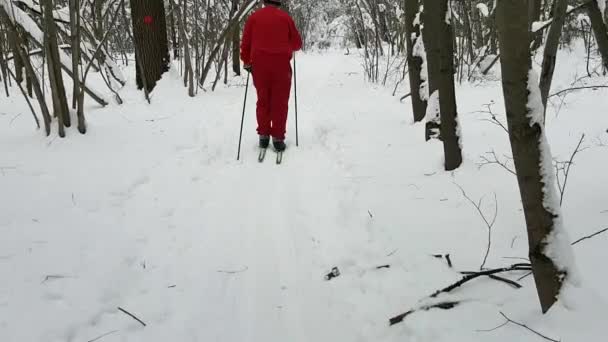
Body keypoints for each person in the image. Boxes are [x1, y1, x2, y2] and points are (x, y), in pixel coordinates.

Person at [240, 0, 303, 152]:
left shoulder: (253, 18)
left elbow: (246, 43)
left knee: (263, 100)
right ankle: (278, 138)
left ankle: (263, 136)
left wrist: (247, 61)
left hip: (260, 67)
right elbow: (297, 44)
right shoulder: (285, 18)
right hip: (281, 67)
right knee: (280, 102)